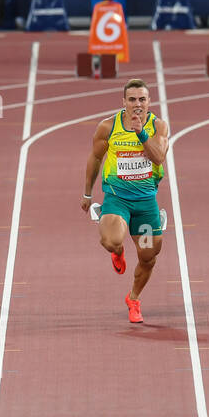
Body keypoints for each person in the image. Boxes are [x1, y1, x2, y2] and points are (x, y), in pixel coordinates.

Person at [81, 79, 170, 323]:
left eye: (142, 99)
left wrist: (141, 132)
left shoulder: (158, 127)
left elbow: (159, 157)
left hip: (145, 202)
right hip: (117, 198)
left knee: (148, 256)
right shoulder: (108, 127)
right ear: (124, 102)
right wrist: (88, 193)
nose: (137, 104)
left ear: (149, 102)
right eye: (132, 99)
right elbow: (95, 159)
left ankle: (133, 298)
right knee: (110, 241)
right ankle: (118, 252)